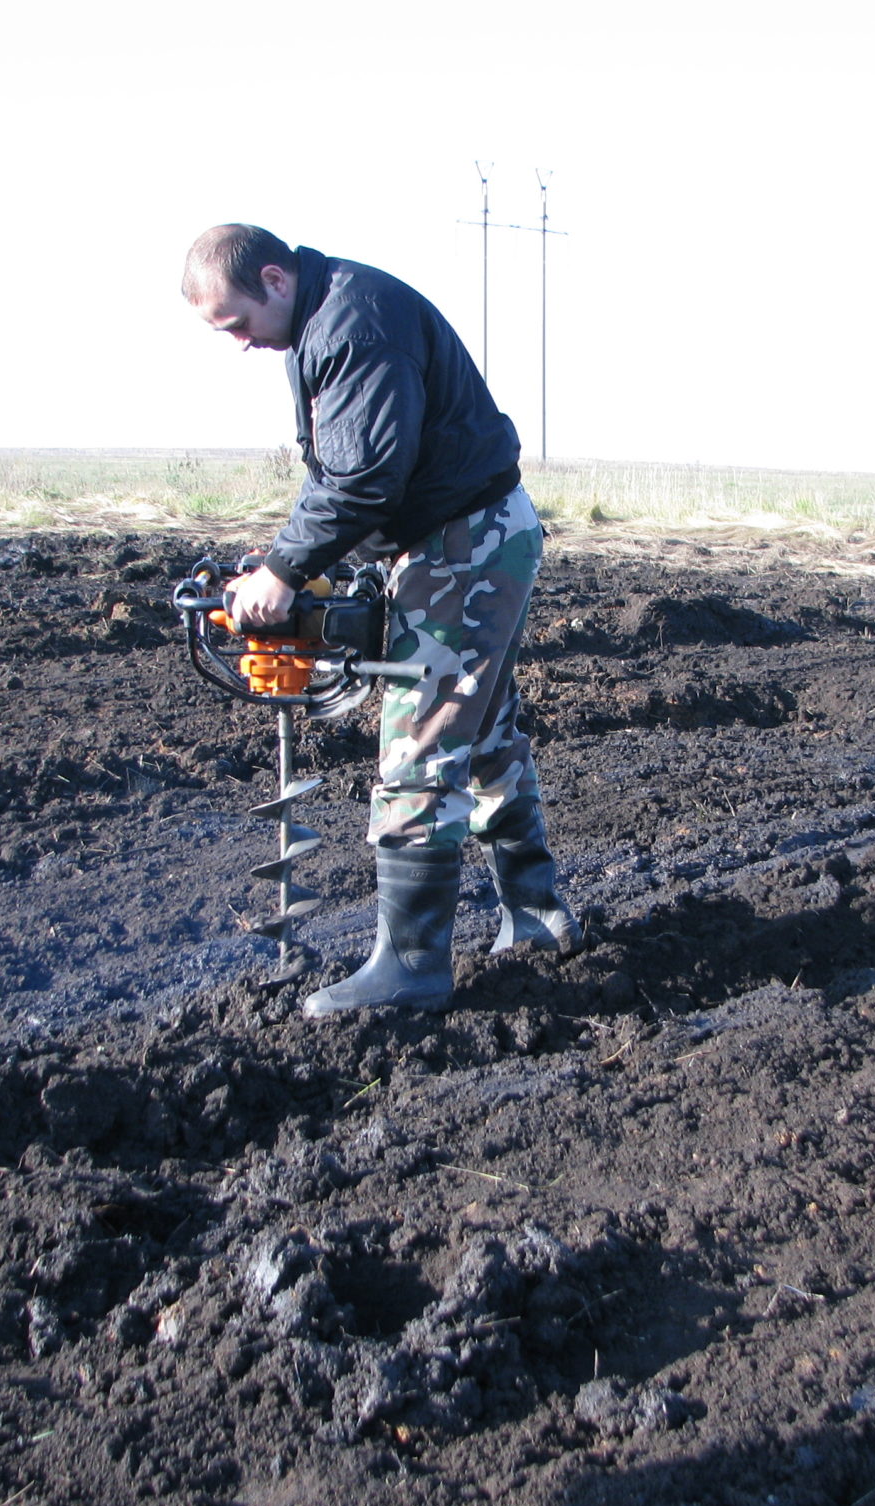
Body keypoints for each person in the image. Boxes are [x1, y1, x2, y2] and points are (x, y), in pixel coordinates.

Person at [181, 223, 580, 1017]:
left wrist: (286, 571)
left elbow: (365, 476)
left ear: (274, 278)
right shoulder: (323, 320)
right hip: (463, 538)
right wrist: (288, 559)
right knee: (486, 730)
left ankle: (411, 966)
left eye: (236, 323)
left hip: (462, 546)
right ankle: (536, 914)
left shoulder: (355, 325)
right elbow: (343, 471)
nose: (239, 344)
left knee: (420, 743)